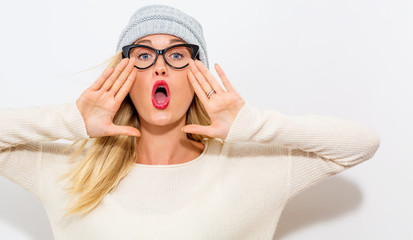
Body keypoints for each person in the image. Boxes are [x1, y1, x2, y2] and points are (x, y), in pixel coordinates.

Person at [0, 4, 380, 240]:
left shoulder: (251, 170)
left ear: (197, 76)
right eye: (144, 54)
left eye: (177, 54)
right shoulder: (68, 172)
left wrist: (251, 125)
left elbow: (361, 143)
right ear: (125, 75)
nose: (161, 64)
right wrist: (71, 120)